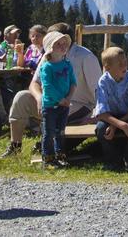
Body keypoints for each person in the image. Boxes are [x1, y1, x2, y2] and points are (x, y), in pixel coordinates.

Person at [0, 22, 101, 157]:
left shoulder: (86, 57)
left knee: (55, 113)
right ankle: (15, 147)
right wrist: (39, 98)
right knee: (21, 98)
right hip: (50, 102)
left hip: (79, 106)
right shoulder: (49, 54)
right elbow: (34, 83)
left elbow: (98, 90)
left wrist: (98, 115)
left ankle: (49, 147)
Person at [94, 46, 128, 172]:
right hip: (109, 117)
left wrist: (118, 125)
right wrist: (121, 125)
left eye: (125, 62)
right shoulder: (103, 81)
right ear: (107, 67)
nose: (124, 66)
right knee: (101, 130)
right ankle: (113, 160)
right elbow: (101, 113)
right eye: (120, 64)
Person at [37, 31, 76, 169]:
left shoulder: (67, 65)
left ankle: (60, 155)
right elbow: (47, 86)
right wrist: (60, 99)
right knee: (49, 132)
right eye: (58, 44)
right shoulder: (46, 67)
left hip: (64, 104)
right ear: (49, 47)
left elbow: (73, 83)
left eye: (64, 44)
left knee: (61, 131)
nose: (62, 46)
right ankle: (47, 157)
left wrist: (68, 98)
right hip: (50, 106)